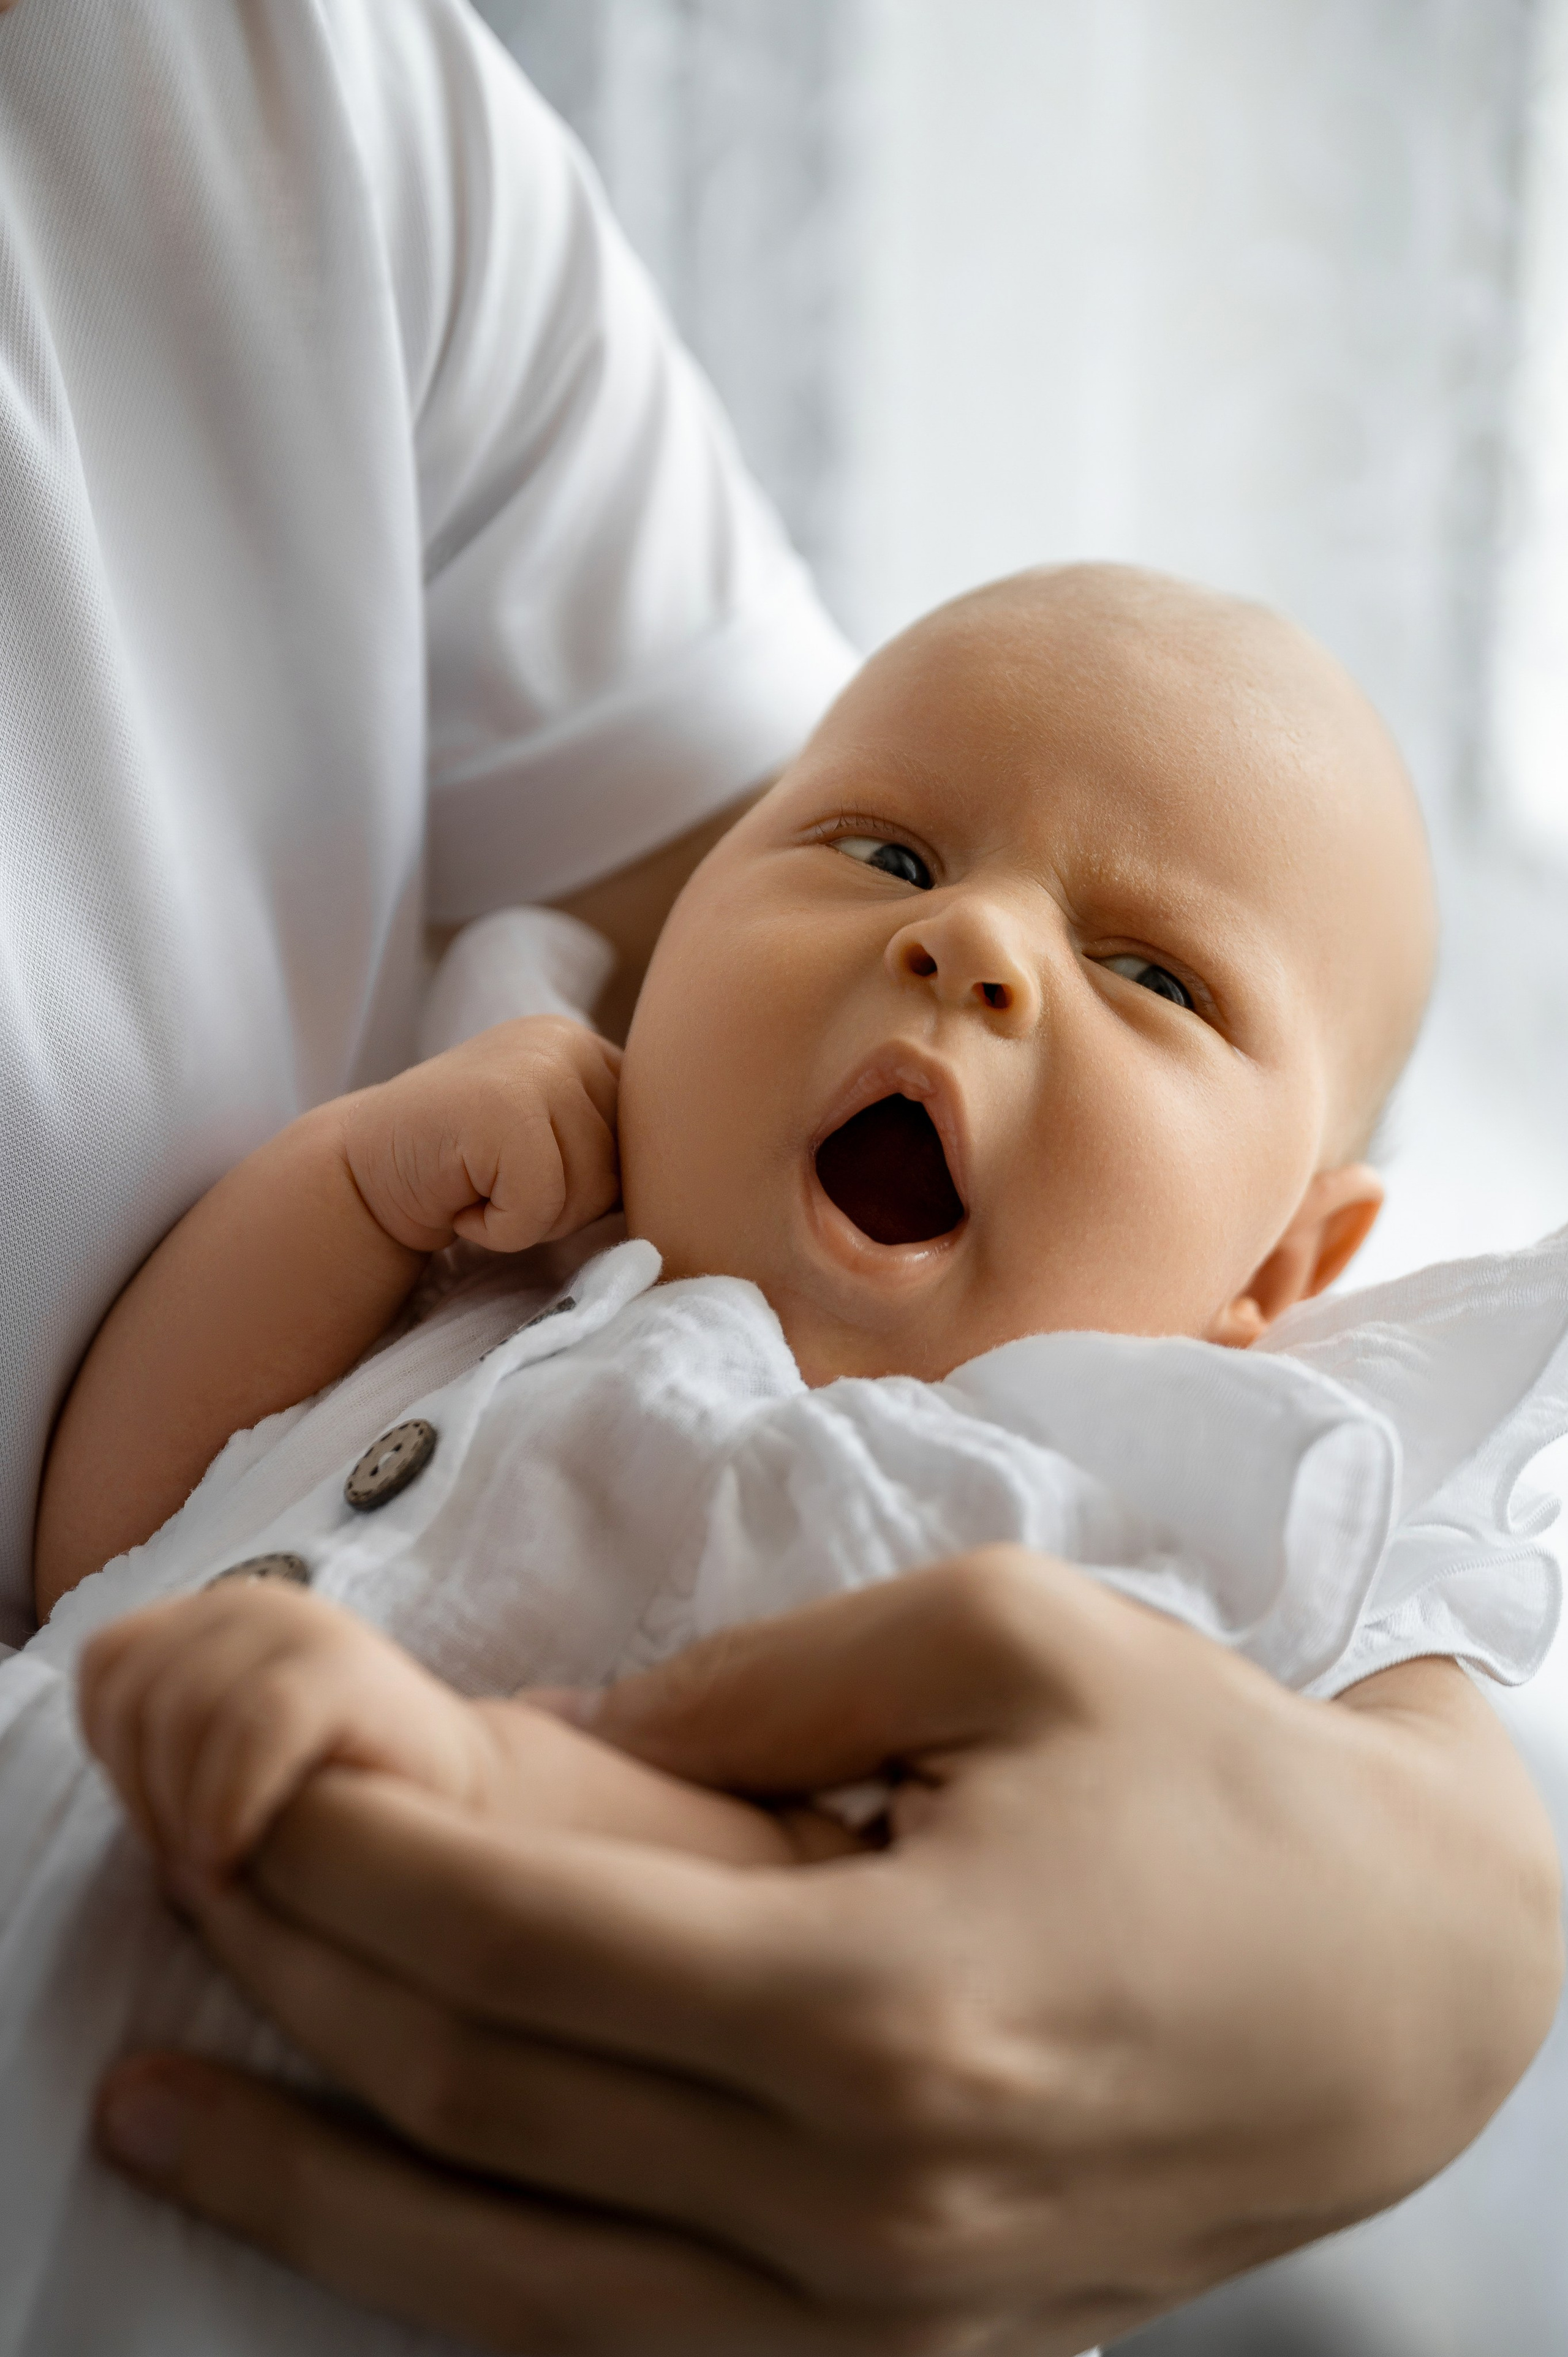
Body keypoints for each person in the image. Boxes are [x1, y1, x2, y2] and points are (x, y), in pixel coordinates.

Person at [0, 2, 1556, 2348]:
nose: (967, 941)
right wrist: (351, 1190)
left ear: (1283, 1270)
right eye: (883, 845)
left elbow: (829, 1926)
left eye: (1152, 978)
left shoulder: (1088, 1533)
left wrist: (439, 1790)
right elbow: (100, 1531)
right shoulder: (505, 1266)